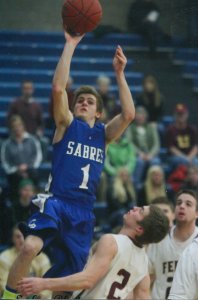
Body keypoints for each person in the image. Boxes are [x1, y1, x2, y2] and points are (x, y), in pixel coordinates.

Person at [3, 29, 135, 300]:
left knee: (66, 285)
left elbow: (129, 114)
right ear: (73, 109)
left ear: (98, 113)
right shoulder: (65, 125)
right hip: (58, 201)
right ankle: (9, 297)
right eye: (80, 101)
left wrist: (120, 74)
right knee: (29, 247)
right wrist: (71, 44)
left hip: (83, 213)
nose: (83, 103)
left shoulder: (103, 135)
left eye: (90, 102)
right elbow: (57, 88)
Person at [16, 205, 170, 299]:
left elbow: (87, 280)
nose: (135, 208)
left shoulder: (111, 241)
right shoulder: (144, 263)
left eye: (141, 211)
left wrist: (43, 283)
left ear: (140, 229)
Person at [147, 189, 198, 299]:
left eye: (188, 204)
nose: (182, 206)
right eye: (179, 203)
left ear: (197, 213)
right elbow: (147, 279)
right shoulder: (160, 238)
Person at [0, 224, 52, 299]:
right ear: (12, 239)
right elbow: (2, 284)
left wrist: (42, 294)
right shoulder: (4, 257)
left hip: (36, 296)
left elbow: (48, 280)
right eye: (18, 236)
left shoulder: (42, 257)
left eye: (24, 236)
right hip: (14, 294)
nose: (21, 240)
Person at [1, 115, 42, 202]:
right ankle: (16, 207)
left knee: (35, 175)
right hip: (15, 173)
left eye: (18, 126)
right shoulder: (7, 144)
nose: (17, 128)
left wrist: (27, 167)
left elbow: (38, 156)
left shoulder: (32, 140)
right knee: (14, 180)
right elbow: (5, 161)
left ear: (23, 126)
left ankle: (36, 205)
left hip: (30, 170)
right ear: (11, 129)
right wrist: (17, 169)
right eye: (14, 127)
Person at [6, 80, 49, 162]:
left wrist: (40, 131)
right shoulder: (15, 104)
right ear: (21, 89)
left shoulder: (37, 106)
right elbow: (9, 121)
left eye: (29, 88)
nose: (27, 91)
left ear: (32, 90)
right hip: (17, 136)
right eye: (25, 88)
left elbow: (41, 123)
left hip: (33, 136)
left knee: (44, 142)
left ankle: (41, 165)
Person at [127, 106, 161, 189]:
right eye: (137, 115)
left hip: (150, 154)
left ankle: (155, 186)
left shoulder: (151, 127)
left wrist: (151, 154)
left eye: (141, 115)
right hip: (137, 155)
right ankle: (135, 187)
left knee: (155, 161)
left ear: (145, 117)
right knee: (139, 162)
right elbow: (129, 143)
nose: (139, 117)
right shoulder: (130, 128)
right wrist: (139, 153)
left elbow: (156, 143)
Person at [165, 103, 198, 171]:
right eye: (179, 114)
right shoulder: (170, 130)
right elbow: (171, 148)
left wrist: (189, 158)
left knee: (196, 162)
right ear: (175, 115)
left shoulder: (192, 129)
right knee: (182, 161)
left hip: (190, 156)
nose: (181, 116)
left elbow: (196, 146)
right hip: (174, 157)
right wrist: (185, 158)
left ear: (187, 115)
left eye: (183, 114)